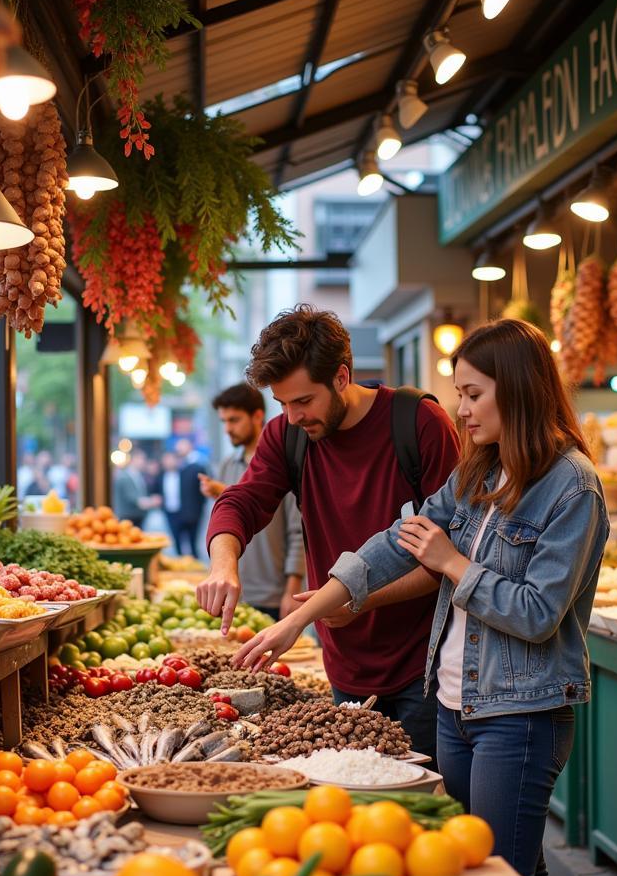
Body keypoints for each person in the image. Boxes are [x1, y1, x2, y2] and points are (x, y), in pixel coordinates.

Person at [232, 319, 610, 876]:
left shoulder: (572, 486)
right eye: (458, 393)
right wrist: (300, 619)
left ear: (518, 390)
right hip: (454, 706)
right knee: (495, 871)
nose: (460, 410)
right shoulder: (480, 474)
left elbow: (540, 614)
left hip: (518, 714)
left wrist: (453, 563)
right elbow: (389, 546)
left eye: (473, 394)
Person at [197, 304, 460, 761]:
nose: (292, 416)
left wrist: (356, 598)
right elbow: (240, 501)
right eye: (282, 404)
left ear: (341, 377)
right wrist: (224, 563)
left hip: (428, 667)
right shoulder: (287, 436)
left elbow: (450, 556)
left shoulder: (419, 424)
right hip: (343, 665)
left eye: (303, 401)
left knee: (421, 814)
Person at [200, 383, 305, 620]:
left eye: (234, 420)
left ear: (258, 416)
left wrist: (292, 590)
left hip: (274, 594)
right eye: (224, 421)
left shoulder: (283, 463)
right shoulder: (227, 464)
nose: (227, 429)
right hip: (237, 592)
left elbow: (297, 531)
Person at [171, 439, 207, 557]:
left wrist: (197, 509)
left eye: (181, 447)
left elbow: (202, 491)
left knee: (193, 542)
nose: (178, 450)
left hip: (193, 511)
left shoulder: (197, 464)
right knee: (180, 542)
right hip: (181, 510)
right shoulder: (181, 465)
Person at [114, 450, 161, 524]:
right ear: (133, 459)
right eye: (141, 458)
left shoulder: (139, 476)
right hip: (127, 519)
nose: (143, 461)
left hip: (138, 518)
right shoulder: (124, 477)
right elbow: (137, 501)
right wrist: (153, 501)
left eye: (144, 459)